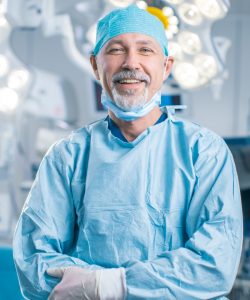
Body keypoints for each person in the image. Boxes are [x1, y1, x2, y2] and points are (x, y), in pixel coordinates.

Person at [13, 4, 243, 300]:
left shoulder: (204, 152)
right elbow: (34, 265)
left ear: (167, 66)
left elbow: (213, 266)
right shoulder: (67, 157)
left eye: (146, 50)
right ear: (96, 65)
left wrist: (104, 285)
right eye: (116, 50)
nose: (131, 62)